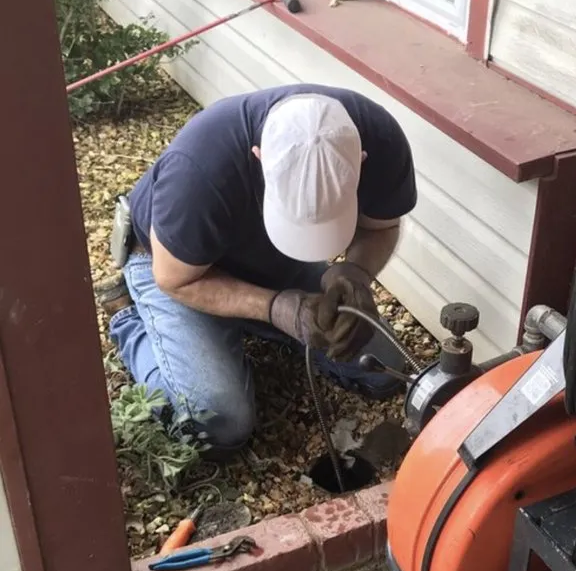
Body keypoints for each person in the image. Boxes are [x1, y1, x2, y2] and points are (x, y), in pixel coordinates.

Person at [101, 84, 417, 453]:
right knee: (219, 422)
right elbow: (175, 279)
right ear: (259, 157)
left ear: (360, 160)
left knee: (383, 369)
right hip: (178, 266)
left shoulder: (380, 137)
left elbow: (382, 227)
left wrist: (355, 273)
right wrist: (276, 307)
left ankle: (252, 325)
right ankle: (129, 317)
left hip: (272, 258)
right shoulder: (201, 167)